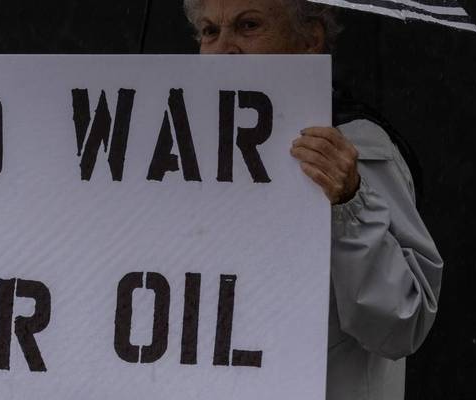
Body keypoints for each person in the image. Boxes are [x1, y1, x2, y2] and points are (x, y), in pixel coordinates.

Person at [182, 1, 444, 399]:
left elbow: (401, 324)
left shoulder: (355, 149)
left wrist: (350, 203)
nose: (223, 49)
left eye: (248, 25)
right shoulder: (182, 154)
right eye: (209, 31)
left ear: (309, 39)